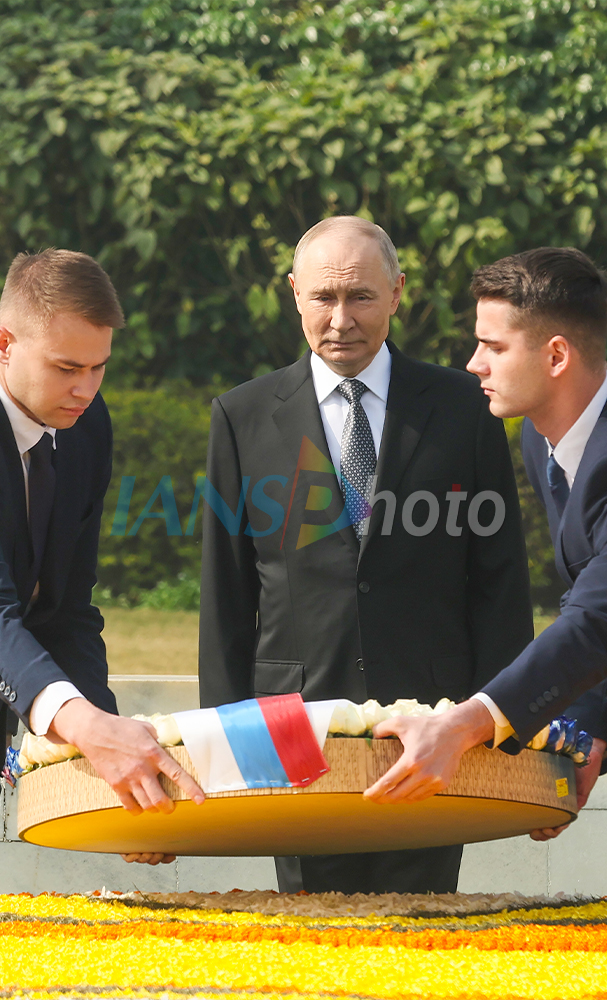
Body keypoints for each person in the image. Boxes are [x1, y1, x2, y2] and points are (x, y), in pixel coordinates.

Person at [199, 216, 533, 894]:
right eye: (322, 297)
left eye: (361, 297)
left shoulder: (465, 407)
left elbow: (498, 583)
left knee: (420, 936)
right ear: (294, 293)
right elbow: (226, 600)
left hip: (433, 733)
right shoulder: (240, 416)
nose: (340, 319)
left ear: (397, 292)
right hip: (292, 737)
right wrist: (219, 754)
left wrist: (503, 735)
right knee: (308, 943)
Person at [364, 247, 607, 832]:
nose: (474, 364)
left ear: (556, 356)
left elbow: (596, 617)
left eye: (493, 347)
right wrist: (588, 730)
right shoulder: (539, 439)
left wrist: (461, 726)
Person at [0, 250, 204, 861]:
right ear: (4, 344)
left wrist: (119, 770)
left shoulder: (87, 427)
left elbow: (66, 610)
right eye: (67, 368)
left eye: (99, 368)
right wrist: (92, 734)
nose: (86, 390)